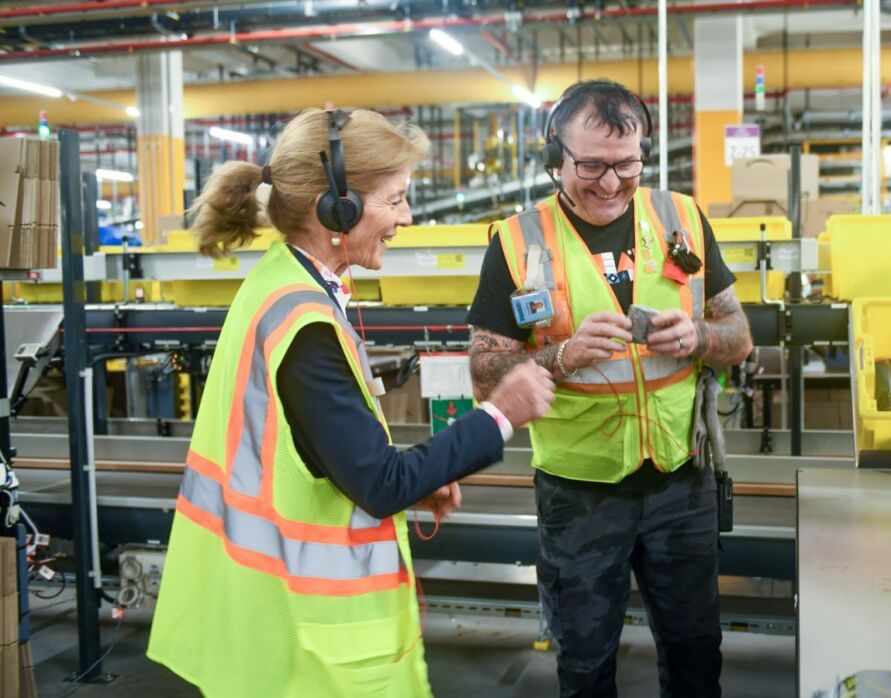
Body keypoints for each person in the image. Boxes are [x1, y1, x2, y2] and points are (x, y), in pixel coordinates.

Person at [147, 108, 555, 698]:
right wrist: (500, 414)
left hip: (271, 615)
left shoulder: (282, 283)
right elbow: (381, 482)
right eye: (394, 200)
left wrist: (425, 474)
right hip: (308, 642)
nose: (407, 218)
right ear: (335, 210)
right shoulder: (305, 324)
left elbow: (332, 452)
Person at [467, 80, 753, 698]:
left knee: (696, 651)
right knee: (585, 659)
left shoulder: (680, 217)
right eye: (590, 165)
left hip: (681, 478)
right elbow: (486, 376)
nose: (609, 183)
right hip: (579, 494)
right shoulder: (518, 244)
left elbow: (740, 337)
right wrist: (562, 355)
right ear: (554, 159)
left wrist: (698, 336)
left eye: (626, 164)